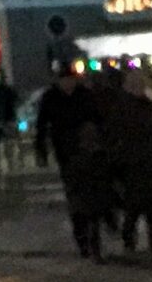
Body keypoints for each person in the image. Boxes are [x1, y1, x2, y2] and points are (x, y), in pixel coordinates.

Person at [34, 60, 108, 258]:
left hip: (89, 153)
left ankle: (94, 237)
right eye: (64, 80)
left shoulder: (85, 96)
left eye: (70, 80)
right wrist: (41, 150)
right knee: (76, 199)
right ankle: (82, 237)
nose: (68, 84)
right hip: (66, 155)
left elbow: (99, 120)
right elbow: (41, 125)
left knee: (93, 195)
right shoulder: (50, 98)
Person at [110, 64, 152, 257]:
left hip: (151, 161)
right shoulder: (122, 107)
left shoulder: (148, 106)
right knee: (135, 206)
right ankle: (130, 241)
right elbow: (116, 135)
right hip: (134, 163)